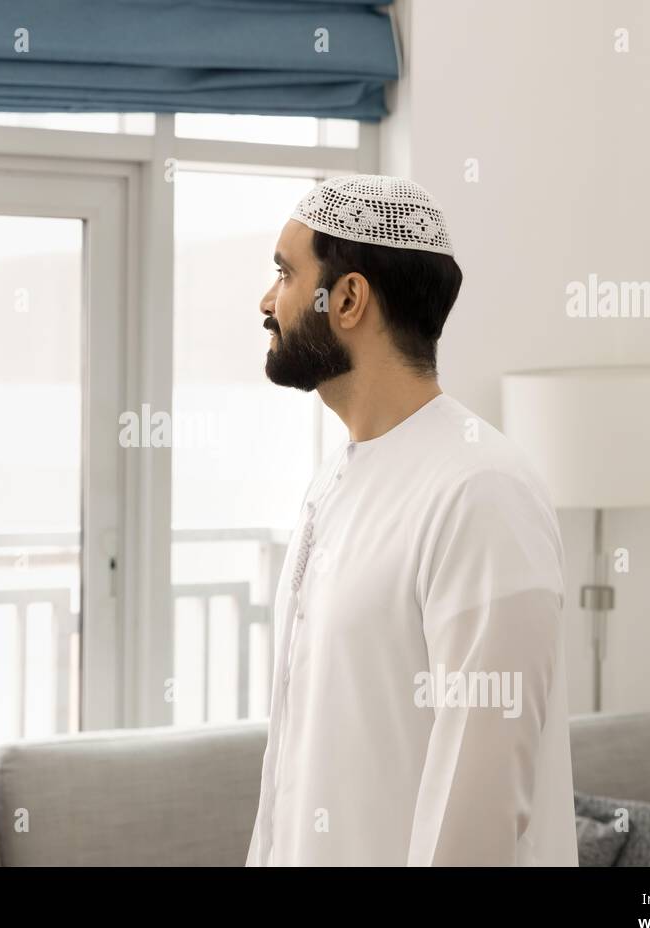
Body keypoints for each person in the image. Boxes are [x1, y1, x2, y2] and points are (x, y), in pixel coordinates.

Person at [245, 175, 578, 866]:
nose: (266, 301)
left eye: (284, 273)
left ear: (347, 298)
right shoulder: (331, 483)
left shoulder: (481, 491)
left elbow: (475, 809)